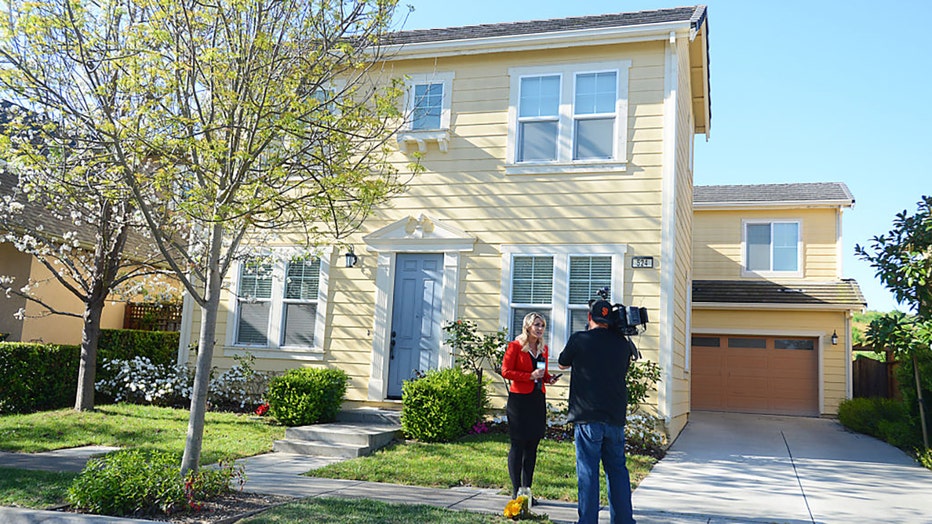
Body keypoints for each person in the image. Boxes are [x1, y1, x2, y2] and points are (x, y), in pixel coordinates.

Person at [558, 299, 637, 524]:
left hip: (587, 417)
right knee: (617, 471)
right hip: (615, 417)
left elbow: (563, 363)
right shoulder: (623, 345)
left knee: (588, 472)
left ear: (590, 318)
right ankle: (623, 521)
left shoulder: (580, 340)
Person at [500, 312, 559, 501]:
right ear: (528, 327)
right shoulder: (516, 347)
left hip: (537, 400)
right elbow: (506, 371)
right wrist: (529, 376)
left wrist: (549, 379)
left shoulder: (543, 349)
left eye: (542, 325)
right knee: (518, 444)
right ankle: (516, 490)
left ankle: (527, 491)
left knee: (532, 446)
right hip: (519, 401)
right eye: (537, 325)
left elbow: (543, 372)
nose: (540, 329)